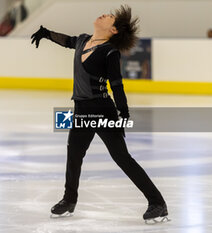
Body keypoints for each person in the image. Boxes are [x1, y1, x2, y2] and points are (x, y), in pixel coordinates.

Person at [31, 5, 168, 222]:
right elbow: (67, 41)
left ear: (114, 30)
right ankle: (69, 200)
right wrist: (46, 33)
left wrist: (123, 112)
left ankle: (158, 203)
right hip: (81, 110)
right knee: (74, 154)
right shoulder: (83, 40)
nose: (104, 15)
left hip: (103, 110)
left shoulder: (110, 52)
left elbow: (117, 84)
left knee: (122, 158)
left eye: (110, 18)